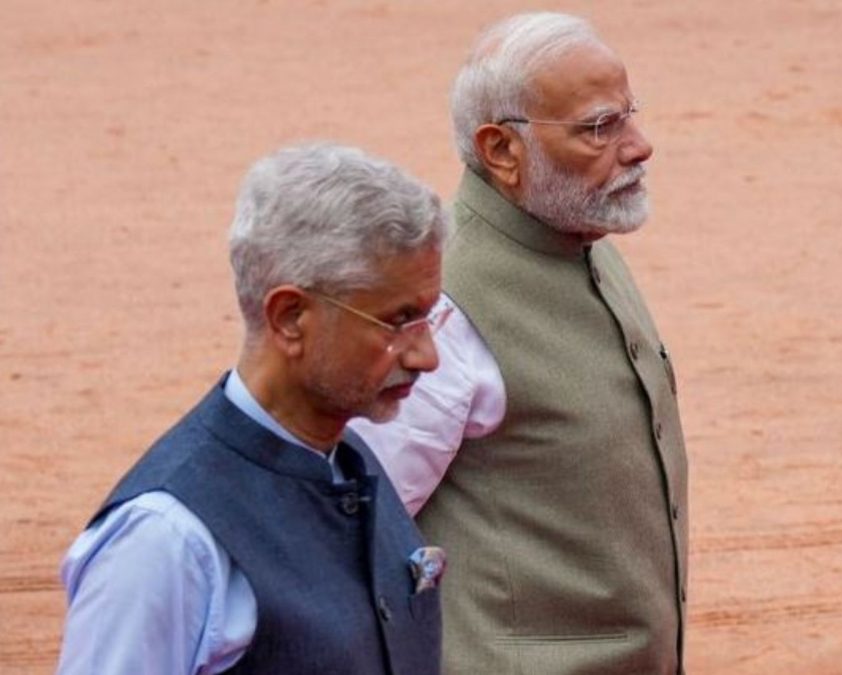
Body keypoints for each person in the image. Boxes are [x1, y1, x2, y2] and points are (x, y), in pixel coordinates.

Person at [350, 12, 688, 674]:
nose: (639, 145)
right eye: (599, 127)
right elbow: (353, 526)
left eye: (629, 114)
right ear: (502, 150)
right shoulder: (444, 312)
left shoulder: (580, 235)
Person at [56, 143, 449, 675]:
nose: (426, 355)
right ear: (290, 317)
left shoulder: (353, 463)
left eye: (428, 317)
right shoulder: (166, 542)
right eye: (398, 321)